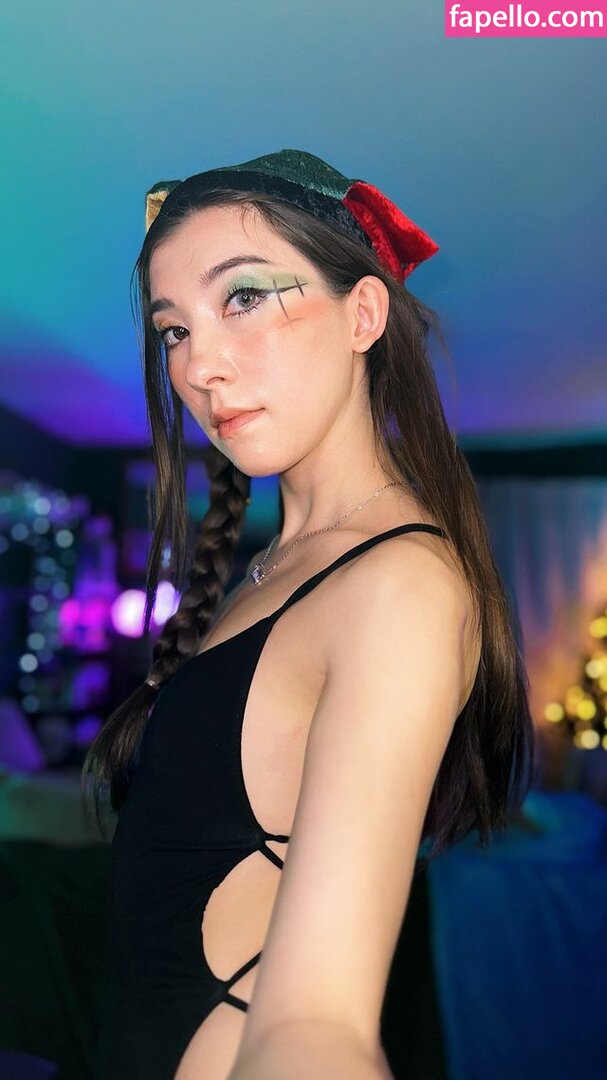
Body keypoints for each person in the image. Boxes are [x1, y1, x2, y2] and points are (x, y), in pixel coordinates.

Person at [83, 149, 536, 1080]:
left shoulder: (399, 584)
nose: (198, 363)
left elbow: (317, 1025)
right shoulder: (271, 570)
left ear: (363, 314)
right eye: (174, 329)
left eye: (244, 297)